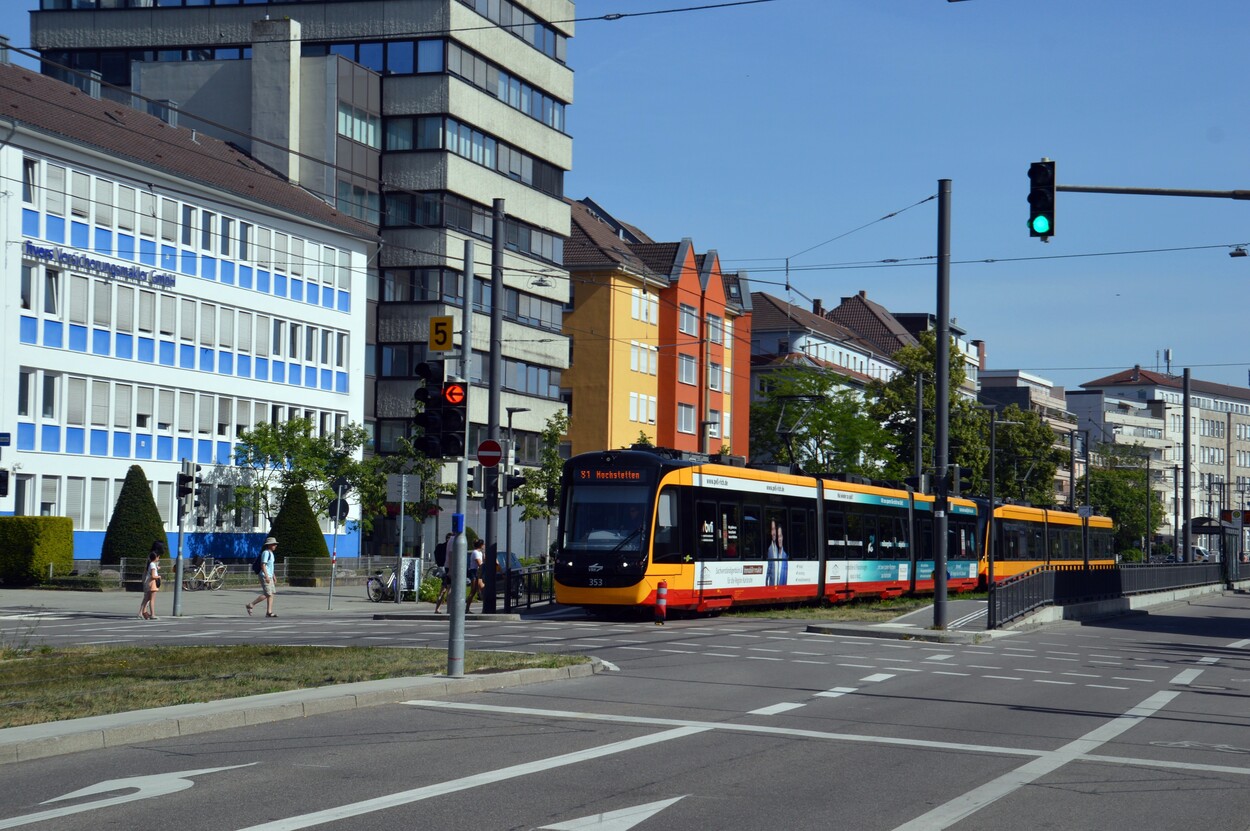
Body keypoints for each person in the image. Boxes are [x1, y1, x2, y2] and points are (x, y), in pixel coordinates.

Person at [246, 536, 279, 618]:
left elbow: (270, 567)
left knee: (271, 593)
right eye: (274, 544)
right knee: (268, 594)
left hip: (270, 575)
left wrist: (273, 576)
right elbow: (263, 565)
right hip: (265, 576)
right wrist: (267, 576)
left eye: (275, 544)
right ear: (269, 545)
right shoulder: (266, 553)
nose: (275, 546)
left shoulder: (271, 554)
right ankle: (251, 604)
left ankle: (269, 612)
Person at [140, 542, 163, 620]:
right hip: (152, 582)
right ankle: (151, 614)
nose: (159, 558)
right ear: (156, 557)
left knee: (147, 598)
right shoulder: (152, 564)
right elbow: (153, 575)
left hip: (150, 581)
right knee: (151, 599)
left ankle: (143, 612)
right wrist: (159, 577)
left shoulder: (151, 563)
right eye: (158, 557)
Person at [433, 533, 455, 613]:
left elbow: (436, 554)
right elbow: (450, 555)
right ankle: (449, 609)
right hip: (448, 567)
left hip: (442, 567)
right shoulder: (450, 544)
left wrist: (439, 564)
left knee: (443, 588)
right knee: (449, 588)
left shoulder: (440, 546)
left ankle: (437, 609)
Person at [465, 538, 485, 613]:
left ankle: (484, 608)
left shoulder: (480, 553)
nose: (484, 546)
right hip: (475, 572)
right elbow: (480, 563)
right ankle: (467, 609)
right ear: (481, 545)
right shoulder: (475, 552)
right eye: (483, 544)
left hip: (479, 572)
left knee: (482, 590)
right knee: (473, 591)